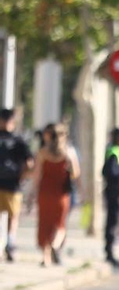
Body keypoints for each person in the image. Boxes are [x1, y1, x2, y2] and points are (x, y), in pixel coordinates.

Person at [32, 124, 79, 267]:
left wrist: (32, 193)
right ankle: (55, 244)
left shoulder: (42, 153)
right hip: (61, 195)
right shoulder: (69, 153)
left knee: (44, 224)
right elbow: (76, 174)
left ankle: (46, 258)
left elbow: (37, 175)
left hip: (45, 193)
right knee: (59, 224)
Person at [0, 110, 34, 262]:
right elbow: (29, 163)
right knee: (13, 218)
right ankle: (10, 243)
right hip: (13, 185)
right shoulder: (19, 140)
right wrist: (23, 177)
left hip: (7, 185)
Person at [101, 127, 119, 269]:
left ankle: (111, 251)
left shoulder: (118, 151)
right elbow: (109, 171)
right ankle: (109, 253)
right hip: (114, 193)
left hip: (117, 192)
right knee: (112, 223)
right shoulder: (114, 152)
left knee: (114, 223)